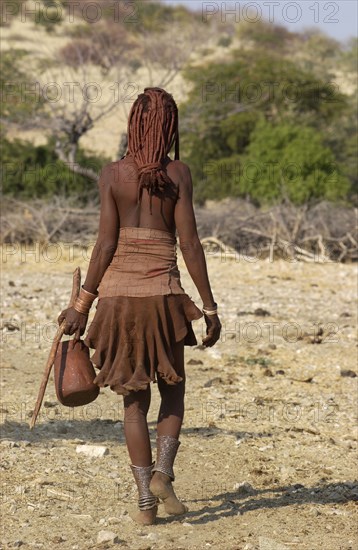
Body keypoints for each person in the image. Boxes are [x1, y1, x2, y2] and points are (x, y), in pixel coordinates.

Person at [58, 87, 221, 525]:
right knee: (174, 391)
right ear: (169, 127)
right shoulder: (179, 174)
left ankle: (146, 507)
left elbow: (106, 243)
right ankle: (163, 474)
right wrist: (208, 307)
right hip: (165, 301)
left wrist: (81, 304)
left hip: (116, 302)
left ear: (133, 124)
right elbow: (189, 242)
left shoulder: (112, 175)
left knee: (133, 404)